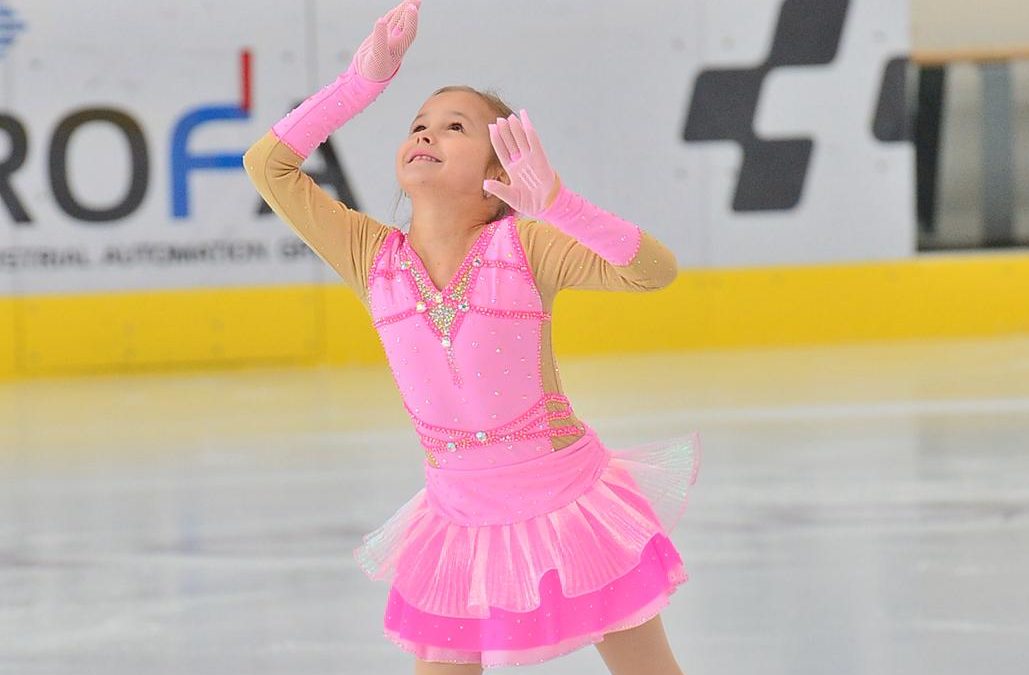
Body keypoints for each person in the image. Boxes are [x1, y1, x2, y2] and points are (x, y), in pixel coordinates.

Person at [243, 1, 702, 672]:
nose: (426, 133)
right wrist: (360, 84)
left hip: (571, 503)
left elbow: (652, 271)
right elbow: (268, 166)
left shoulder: (527, 244)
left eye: (455, 126)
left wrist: (560, 206)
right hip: (456, 518)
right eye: (418, 124)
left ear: (497, 174)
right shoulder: (371, 256)